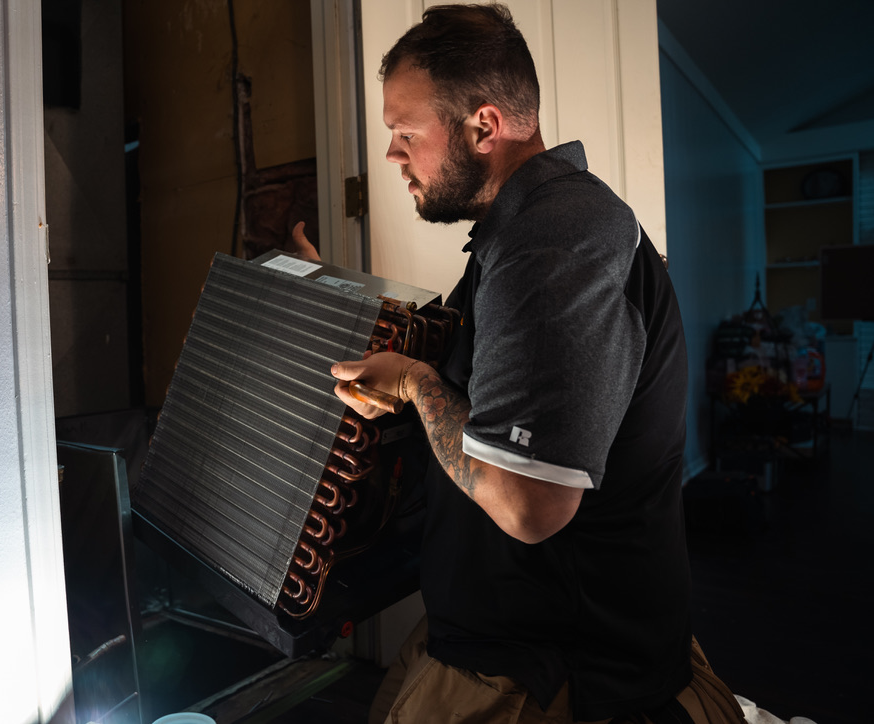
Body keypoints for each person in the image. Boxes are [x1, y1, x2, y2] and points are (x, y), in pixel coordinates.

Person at [294, 4, 744, 723]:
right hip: (498, 641)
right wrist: (334, 301)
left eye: (405, 133)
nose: (391, 155)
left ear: (484, 125)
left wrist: (413, 383)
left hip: (555, 679)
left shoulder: (554, 243)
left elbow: (530, 506)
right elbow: (472, 379)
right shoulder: (524, 234)